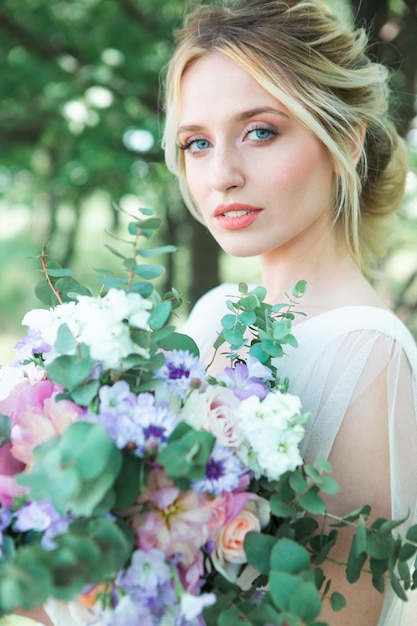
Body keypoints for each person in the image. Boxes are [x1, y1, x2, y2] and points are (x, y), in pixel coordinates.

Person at [161, 0, 417, 624]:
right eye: (197, 143)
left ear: (346, 142)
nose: (221, 175)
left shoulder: (367, 350)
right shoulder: (216, 313)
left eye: (260, 131)